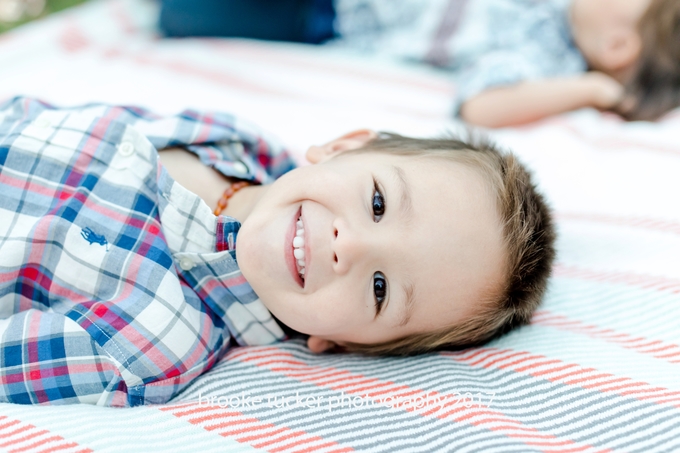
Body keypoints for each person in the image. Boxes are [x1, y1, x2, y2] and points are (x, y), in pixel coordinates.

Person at [0, 97, 554, 406]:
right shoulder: (227, 136)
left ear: (339, 344)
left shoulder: (145, 348)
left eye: (381, 289)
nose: (351, 246)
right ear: (345, 146)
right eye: (379, 202)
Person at [160, 0, 680, 126]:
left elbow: (483, 106)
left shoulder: (544, 54)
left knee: (184, 12)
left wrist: (590, 90)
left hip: (334, 15)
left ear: (618, 47)